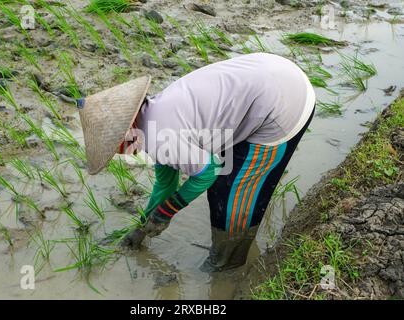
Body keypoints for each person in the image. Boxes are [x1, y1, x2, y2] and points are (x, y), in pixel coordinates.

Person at [77, 53, 315, 272]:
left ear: (126, 130)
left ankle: (226, 268)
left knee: (231, 195)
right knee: (225, 178)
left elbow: (207, 171)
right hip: (273, 72)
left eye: (116, 148)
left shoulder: (157, 136)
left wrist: (168, 211)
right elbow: (165, 184)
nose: (122, 154)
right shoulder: (152, 114)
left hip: (284, 105)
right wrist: (142, 227)